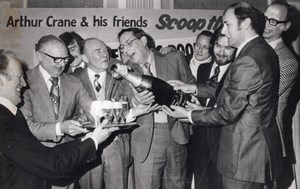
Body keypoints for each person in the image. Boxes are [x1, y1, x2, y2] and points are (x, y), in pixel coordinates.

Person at [163, 2, 283, 189]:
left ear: (245, 24)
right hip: (251, 152)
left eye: (227, 24)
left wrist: (188, 115)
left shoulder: (248, 59)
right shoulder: (260, 50)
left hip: (244, 155)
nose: (224, 31)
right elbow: (232, 88)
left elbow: (227, 112)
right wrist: (191, 87)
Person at [0, 49, 118, 189]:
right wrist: (94, 140)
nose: (24, 84)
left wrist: (89, 138)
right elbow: (52, 165)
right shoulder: (4, 119)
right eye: (19, 77)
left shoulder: (9, 114)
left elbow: (45, 155)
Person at [117, 27, 195, 189]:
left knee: (177, 185)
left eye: (129, 43)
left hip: (177, 134)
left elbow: (192, 87)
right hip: (146, 139)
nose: (126, 49)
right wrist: (136, 102)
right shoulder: (125, 71)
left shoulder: (174, 57)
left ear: (144, 40)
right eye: (122, 47)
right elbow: (123, 103)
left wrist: (183, 97)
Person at [20, 35, 96, 188]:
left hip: (67, 161)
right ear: (40, 56)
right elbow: (26, 126)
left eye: (65, 59)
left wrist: (122, 110)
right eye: (57, 59)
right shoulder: (23, 82)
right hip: (35, 161)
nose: (62, 65)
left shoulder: (74, 82)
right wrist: (60, 128)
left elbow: (93, 108)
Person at [72, 38, 131, 189]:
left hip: (116, 146)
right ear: (84, 58)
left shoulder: (121, 77)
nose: (105, 54)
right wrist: (79, 118)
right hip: (88, 146)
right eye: (98, 51)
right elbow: (67, 112)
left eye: (106, 50)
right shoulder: (73, 80)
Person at [263, 1, 299, 188]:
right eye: (265, 18)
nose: (267, 24)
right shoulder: (254, 48)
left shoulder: (287, 61)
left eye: (274, 21)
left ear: (286, 26)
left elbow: (263, 98)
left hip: (267, 141)